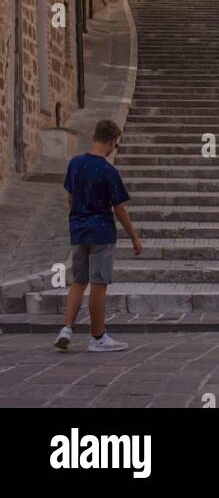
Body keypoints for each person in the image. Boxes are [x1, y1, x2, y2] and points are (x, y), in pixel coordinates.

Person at [54, 119, 142, 353]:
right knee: (99, 284)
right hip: (101, 231)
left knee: (78, 281)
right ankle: (97, 337)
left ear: (95, 136)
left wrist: (76, 220)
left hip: (78, 229)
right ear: (113, 142)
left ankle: (66, 329)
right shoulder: (108, 170)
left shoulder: (75, 164)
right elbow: (119, 208)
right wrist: (134, 237)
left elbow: (70, 198)